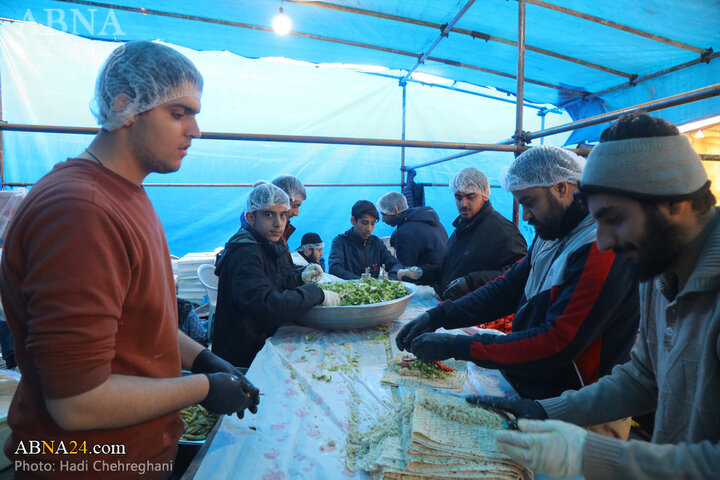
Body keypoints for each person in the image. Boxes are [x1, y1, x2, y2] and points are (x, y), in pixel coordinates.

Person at [0, 41, 259, 478]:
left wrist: (200, 358)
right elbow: (77, 403)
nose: (195, 130)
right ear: (125, 107)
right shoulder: (82, 211)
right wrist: (202, 387)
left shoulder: (127, 194)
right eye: (179, 113)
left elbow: (138, 320)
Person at [465, 112, 720, 480]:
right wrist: (547, 410)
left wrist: (596, 456)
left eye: (614, 218)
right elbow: (643, 378)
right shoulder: (657, 268)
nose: (603, 241)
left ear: (674, 201)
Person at [397, 146, 640, 409]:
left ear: (561, 188)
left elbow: (558, 342)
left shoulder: (599, 246)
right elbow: (508, 288)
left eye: (529, 202)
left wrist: (460, 346)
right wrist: (440, 316)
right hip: (535, 389)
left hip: (578, 406)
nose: (524, 216)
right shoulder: (553, 232)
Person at [212, 183, 340, 368]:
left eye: (283, 215)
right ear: (251, 217)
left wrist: (298, 277)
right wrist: (316, 294)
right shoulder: (245, 253)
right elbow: (267, 306)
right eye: (268, 214)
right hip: (243, 359)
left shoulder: (263, 243)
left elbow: (272, 281)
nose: (278, 223)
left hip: (258, 344)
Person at [397, 167, 527, 300]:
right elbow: (450, 269)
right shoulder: (462, 227)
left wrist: (471, 282)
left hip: (480, 313)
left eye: (470, 197)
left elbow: (522, 273)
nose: (463, 204)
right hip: (453, 306)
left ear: (484, 195)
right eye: (458, 197)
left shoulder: (503, 232)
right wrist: (422, 273)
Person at [329, 200, 402, 279]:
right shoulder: (340, 242)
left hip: (374, 290)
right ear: (353, 221)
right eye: (364, 223)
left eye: (372, 223)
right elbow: (335, 269)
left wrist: (389, 281)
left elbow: (395, 264)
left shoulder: (377, 243)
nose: (369, 229)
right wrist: (361, 283)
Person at [376, 191, 448, 267]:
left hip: (430, 277)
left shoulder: (405, 232)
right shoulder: (432, 221)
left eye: (384, 214)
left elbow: (405, 269)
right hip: (445, 274)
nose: (383, 219)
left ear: (395, 210)